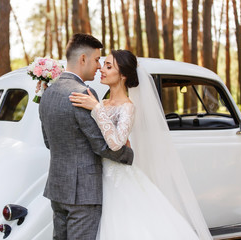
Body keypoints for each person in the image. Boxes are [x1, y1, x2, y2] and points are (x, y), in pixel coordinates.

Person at [69, 50, 213, 239]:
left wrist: (96, 109)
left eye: (109, 66)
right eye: (103, 64)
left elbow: (116, 144)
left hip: (117, 179)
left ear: (123, 75)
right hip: (95, 175)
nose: (102, 69)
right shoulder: (101, 102)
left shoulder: (127, 107)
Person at [38, 34, 134, 239]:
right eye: (97, 60)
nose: (99, 66)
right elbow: (100, 145)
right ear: (83, 59)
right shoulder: (84, 93)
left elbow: (48, 141)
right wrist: (128, 155)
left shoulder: (48, 92)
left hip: (57, 188)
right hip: (83, 192)